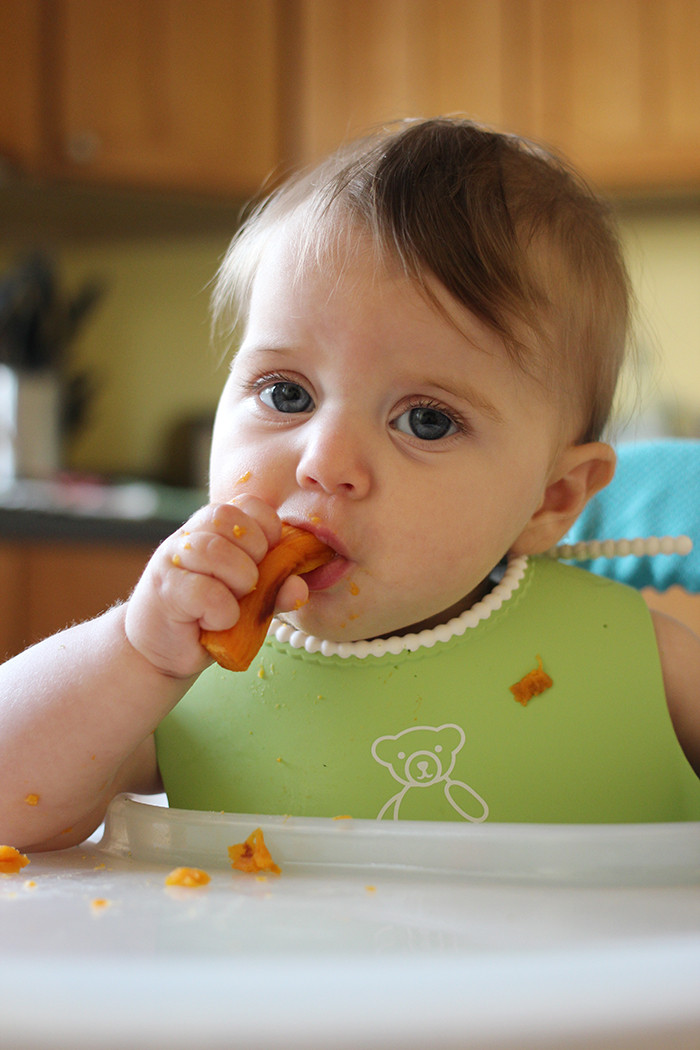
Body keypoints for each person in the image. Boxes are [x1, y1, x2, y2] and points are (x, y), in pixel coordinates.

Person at [2, 118, 700, 850]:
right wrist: (135, 654)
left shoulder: (635, 659)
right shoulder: (186, 678)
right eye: (286, 394)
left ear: (553, 499)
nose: (323, 460)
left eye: (426, 420)